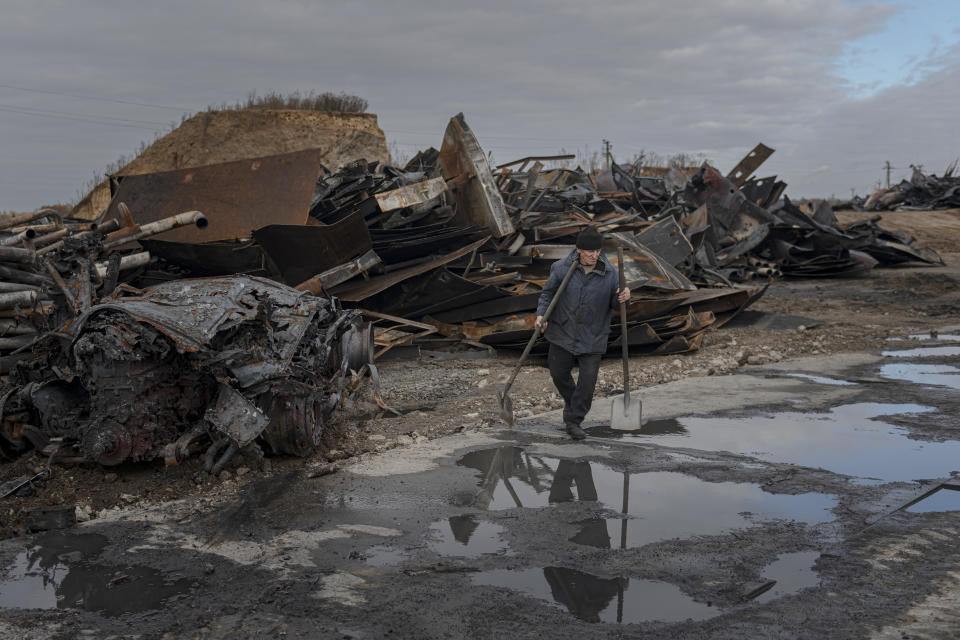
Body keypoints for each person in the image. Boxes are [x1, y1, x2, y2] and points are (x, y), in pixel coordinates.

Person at [535, 228, 630, 440]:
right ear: (578, 250)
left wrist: (624, 296)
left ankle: (574, 420)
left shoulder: (611, 273)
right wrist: (542, 315)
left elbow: (616, 305)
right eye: (589, 252)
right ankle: (574, 403)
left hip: (594, 334)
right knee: (558, 374)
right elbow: (548, 294)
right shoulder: (561, 268)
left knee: (587, 383)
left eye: (597, 251)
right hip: (562, 331)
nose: (594, 255)